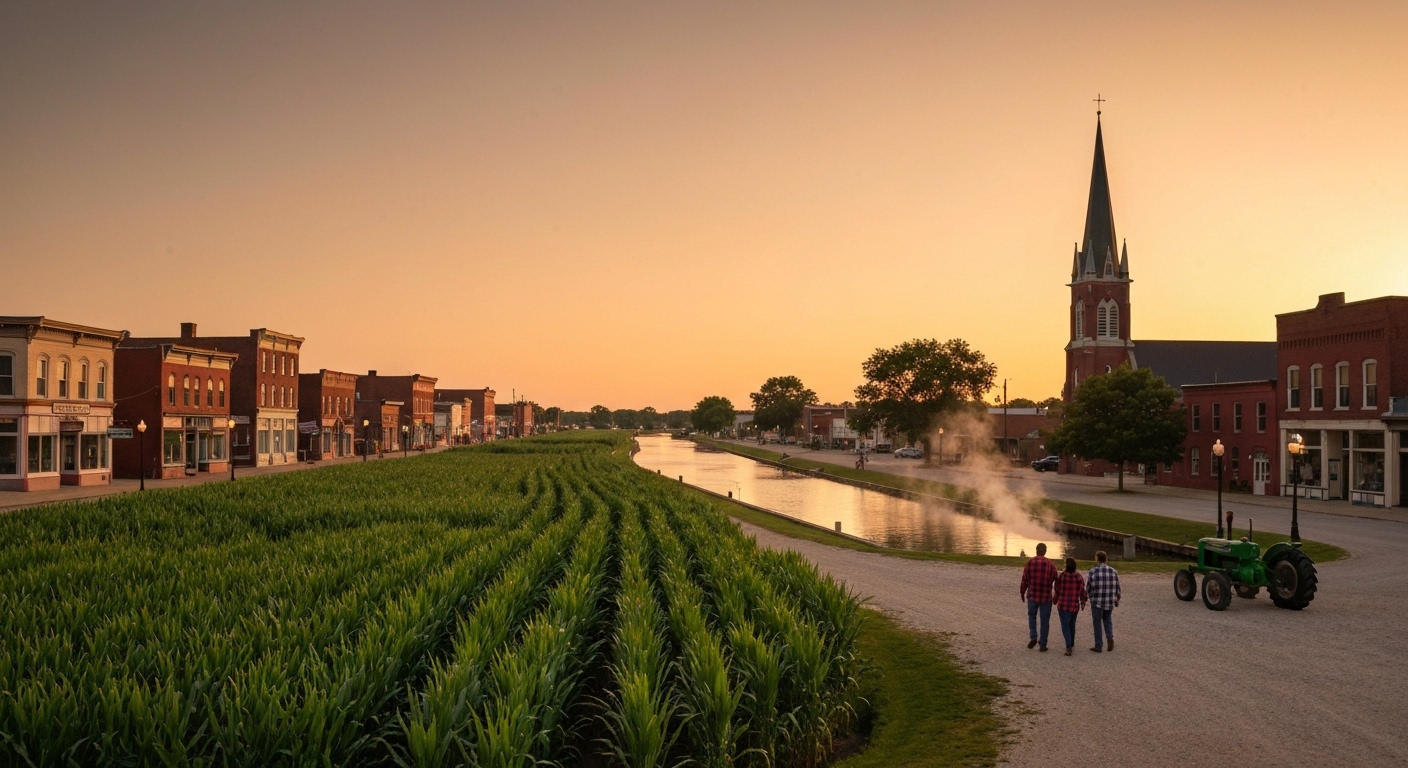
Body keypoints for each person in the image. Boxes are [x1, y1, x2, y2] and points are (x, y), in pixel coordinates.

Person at [1019, 542, 1058, 651]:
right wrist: (1056, 594)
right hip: (1046, 597)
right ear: (1045, 551)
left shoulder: (1030, 562)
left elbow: (1024, 579)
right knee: (1045, 620)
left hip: (1032, 595)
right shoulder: (1050, 564)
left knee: (1032, 616)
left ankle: (1033, 636)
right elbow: (1057, 580)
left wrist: (1022, 592)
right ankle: (1043, 644)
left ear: (1036, 550)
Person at [1086, 550, 1121, 653]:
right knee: (1107, 619)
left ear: (1097, 559)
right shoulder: (1113, 571)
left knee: (1097, 622)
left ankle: (1098, 645)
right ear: (1106, 559)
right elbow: (1117, 587)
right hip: (1109, 600)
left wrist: (1090, 596)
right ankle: (1109, 637)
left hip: (1097, 601)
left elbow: (1089, 587)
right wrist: (1117, 598)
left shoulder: (1093, 571)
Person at [1054, 557, 1088, 656]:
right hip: (1074, 605)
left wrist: (1056, 597)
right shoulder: (1078, 577)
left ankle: (1068, 645)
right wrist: (1083, 602)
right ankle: (1071, 642)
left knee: (1065, 626)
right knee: (1072, 625)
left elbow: (1057, 588)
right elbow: (1082, 591)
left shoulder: (1062, 576)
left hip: (1063, 605)